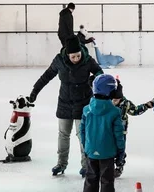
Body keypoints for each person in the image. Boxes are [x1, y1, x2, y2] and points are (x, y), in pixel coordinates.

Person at [29, 36, 103, 176]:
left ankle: (86, 165)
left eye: (78, 55)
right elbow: (46, 76)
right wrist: (34, 92)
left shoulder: (88, 60)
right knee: (63, 135)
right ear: (67, 54)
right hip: (64, 103)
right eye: (73, 56)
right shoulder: (59, 61)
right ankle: (61, 164)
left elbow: (100, 73)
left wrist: (93, 80)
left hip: (83, 103)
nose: (76, 59)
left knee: (82, 135)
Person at [79, 74, 125, 192]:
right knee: (107, 180)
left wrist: (87, 147)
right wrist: (121, 152)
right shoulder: (114, 112)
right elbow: (119, 135)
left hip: (91, 151)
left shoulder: (87, 110)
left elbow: (82, 131)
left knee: (90, 178)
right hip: (107, 153)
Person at [111, 78, 154, 178]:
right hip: (108, 132)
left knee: (120, 150)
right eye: (112, 99)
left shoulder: (126, 103)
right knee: (109, 149)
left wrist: (148, 105)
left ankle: (119, 166)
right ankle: (107, 166)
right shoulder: (106, 103)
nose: (114, 102)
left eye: (116, 100)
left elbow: (135, 111)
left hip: (121, 132)